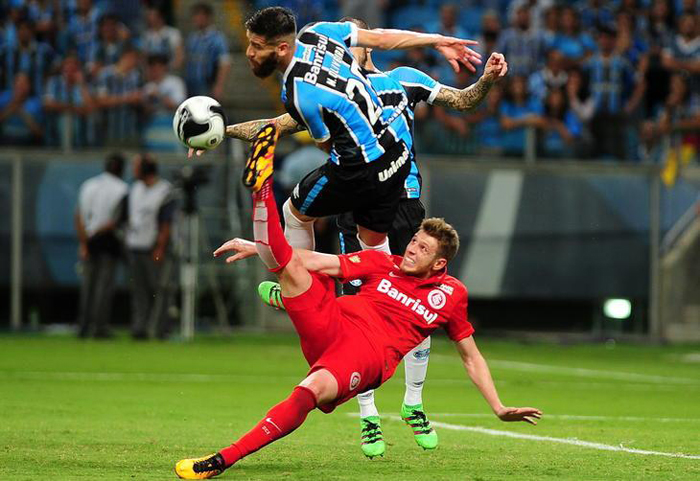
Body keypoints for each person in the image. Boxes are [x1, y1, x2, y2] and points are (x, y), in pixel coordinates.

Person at [191, 16, 507, 457]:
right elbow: (282, 123)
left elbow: (463, 100)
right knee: (363, 300)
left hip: (402, 198)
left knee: (412, 301)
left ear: (366, 49)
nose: (346, 44)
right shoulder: (331, 84)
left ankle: (413, 401)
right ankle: (368, 415)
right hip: (369, 188)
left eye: (353, 36)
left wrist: (487, 79)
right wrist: (220, 132)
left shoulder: (403, 79)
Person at [175, 127, 542, 479]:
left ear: (440, 263)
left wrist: (498, 407)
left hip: (365, 356)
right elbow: (319, 261)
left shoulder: (451, 295)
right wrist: (259, 249)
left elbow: (470, 355)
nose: (412, 249)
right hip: (332, 320)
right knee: (288, 265)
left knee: (309, 393)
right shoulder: (384, 262)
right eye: (414, 241)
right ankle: (262, 187)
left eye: (423, 249)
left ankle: (221, 460)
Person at [230, 6, 481, 258]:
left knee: (293, 213)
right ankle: (379, 291)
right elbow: (384, 38)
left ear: (282, 48)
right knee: (372, 248)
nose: (249, 53)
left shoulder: (300, 93)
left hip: (360, 173)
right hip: (396, 158)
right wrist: (436, 40)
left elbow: (325, 145)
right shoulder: (321, 33)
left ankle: (299, 287)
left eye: (256, 46)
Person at [75, 152, 128, 338]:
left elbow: (79, 216)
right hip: (107, 241)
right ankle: (99, 327)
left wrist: (83, 243)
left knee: (87, 285)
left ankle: (83, 326)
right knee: (103, 287)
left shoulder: (88, 185)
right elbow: (117, 220)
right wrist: (100, 230)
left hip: (88, 239)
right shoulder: (122, 189)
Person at [125, 154, 177, 340]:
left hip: (153, 247)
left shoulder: (164, 191)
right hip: (135, 246)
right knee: (139, 291)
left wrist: (160, 248)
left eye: (136, 166)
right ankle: (140, 328)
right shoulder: (135, 189)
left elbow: (165, 223)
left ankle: (160, 329)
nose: (133, 170)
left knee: (159, 289)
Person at [184, 2, 230, 99]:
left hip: (207, 85)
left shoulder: (217, 39)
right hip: (191, 85)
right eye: (194, 15)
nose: (196, 19)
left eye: (199, 15)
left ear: (208, 17)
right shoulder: (192, 38)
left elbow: (224, 63)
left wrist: (219, 85)